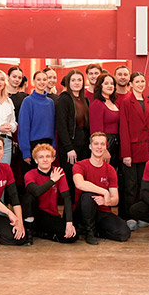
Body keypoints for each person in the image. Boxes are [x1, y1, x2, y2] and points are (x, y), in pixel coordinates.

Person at [73, 132, 131, 245]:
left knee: (124, 233)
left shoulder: (110, 170)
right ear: (90, 146)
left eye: (102, 144)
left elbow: (115, 199)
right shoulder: (80, 165)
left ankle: (96, 231)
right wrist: (104, 191)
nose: (99, 147)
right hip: (82, 210)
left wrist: (106, 201)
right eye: (96, 144)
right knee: (89, 195)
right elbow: (79, 184)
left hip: (101, 211)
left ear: (105, 147)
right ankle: (89, 231)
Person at [23, 144, 78, 243]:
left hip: (50, 215)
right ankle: (29, 231)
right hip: (34, 214)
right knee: (28, 197)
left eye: (48, 156)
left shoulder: (58, 172)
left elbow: (67, 197)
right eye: (41, 157)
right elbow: (36, 192)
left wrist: (69, 222)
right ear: (36, 160)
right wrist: (52, 180)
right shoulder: (30, 174)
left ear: (53, 159)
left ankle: (42, 234)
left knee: (72, 236)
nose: (45, 160)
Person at [119, 72, 149, 224]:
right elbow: (123, 129)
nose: (141, 84)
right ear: (131, 84)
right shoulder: (126, 102)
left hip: (145, 149)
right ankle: (130, 216)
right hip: (132, 150)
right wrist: (126, 153)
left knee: (143, 185)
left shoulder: (148, 102)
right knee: (130, 186)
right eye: (137, 81)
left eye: (142, 81)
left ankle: (142, 215)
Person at [55, 69, 90, 199]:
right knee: (71, 178)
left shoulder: (85, 100)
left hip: (84, 144)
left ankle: (81, 207)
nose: (76, 83)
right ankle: (70, 209)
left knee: (83, 177)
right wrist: (69, 148)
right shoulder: (64, 99)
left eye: (79, 80)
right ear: (68, 82)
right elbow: (61, 126)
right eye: (73, 80)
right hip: (69, 145)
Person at [18, 70, 56, 165]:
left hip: (48, 146)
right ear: (33, 81)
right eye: (39, 79)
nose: (42, 82)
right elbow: (23, 128)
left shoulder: (50, 103)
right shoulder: (27, 101)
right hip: (33, 146)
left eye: (44, 79)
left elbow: (53, 128)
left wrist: (54, 149)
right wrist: (26, 151)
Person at [89, 73, 121, 169]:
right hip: (106, 142)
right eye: (106, 83)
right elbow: (96, 130)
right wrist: (104, 148)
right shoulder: (97, 104)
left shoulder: (115, 103)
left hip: (116, 142)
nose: (110, 86)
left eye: (112, 84)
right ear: (100, 86)